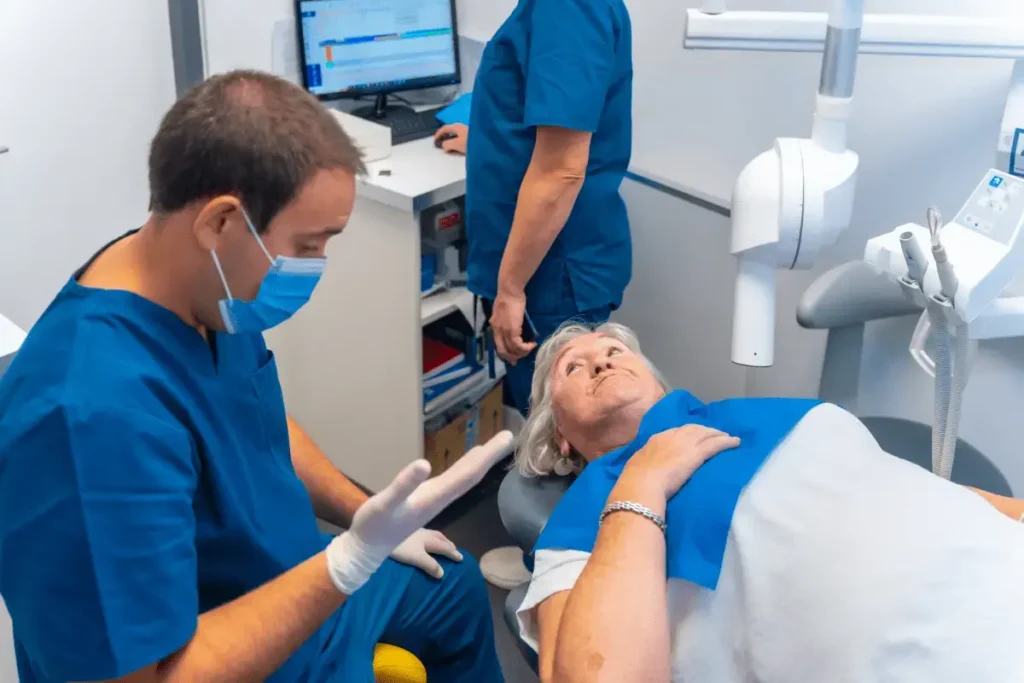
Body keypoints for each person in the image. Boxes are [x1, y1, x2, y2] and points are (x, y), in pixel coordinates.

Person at [0, 70, 506, 683]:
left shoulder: (201, 292)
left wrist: (369, 515)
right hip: (224, 642)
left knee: (453, 586)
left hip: (293, 575)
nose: (318, 266)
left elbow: (257, 416)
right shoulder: (86, 418)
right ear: (220, 222)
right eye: (310, 243)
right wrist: (345, 564)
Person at [514, 321, 1024, 683]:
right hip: (945, 656)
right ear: (560, 436)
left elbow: (901, 485)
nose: (600, 359)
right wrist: (642, 483)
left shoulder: (765, 412)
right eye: (573, 368)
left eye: (615, 351)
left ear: (659, 383)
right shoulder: (580, 520)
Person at [433, 0, 634, 415]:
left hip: (552, 272)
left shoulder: (567, 7)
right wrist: (488, 140)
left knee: (564, 433)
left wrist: (510, 289)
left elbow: (561, 170)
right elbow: (550, 116)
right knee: (556, 424)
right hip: (549, 264)